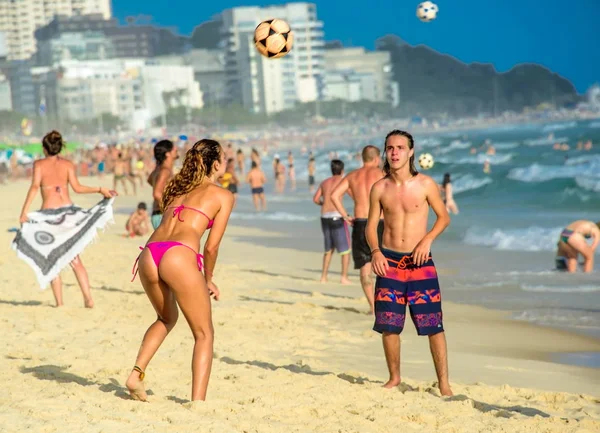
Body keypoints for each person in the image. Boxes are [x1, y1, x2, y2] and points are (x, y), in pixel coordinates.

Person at [127, 139, 234, 402]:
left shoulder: (176, 189)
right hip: (178, 255)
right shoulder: (223, 195)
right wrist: (208, 279)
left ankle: (136, 373)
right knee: (204, 334)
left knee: (165, 318)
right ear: (216, 164)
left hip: (150, 252)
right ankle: (198, 402)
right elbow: (211, 248)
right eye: (224, 157)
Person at [366, 130, 452, 395]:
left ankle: (444, 384)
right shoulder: (379, 187)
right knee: (388, 325)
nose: (394, 152)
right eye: (390, 148)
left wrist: (427, 240)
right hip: (389, 262)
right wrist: (376, 252)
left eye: (400, 148)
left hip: (420, 263)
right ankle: (394, 378)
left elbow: (444, 217)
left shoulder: (426, 184)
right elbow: (370, 227)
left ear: (411, 152)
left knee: (433, 325)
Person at [18, 130, 115, 308]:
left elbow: (34, 188)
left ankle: (60, 303)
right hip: (69, 213)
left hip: (49, 216)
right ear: (60, 146)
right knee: (75, 259)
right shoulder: (68, 165)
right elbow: (77, 188)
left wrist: (24, 212)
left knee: (53, 258)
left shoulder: (39, 164)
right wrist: (100, 189)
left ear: (44, 148)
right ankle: (88, 298)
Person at [331, 145, 385, 314]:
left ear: (363, 158)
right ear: (376, 159)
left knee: (365, 265)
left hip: (361, 222)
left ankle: (372, 306)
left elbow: (334, 195)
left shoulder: (353, 175)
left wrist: (346, 216)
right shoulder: (382, 174)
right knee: (384, 264)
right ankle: (386, 303)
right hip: (379, 222)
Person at [313, 160, 352, 284]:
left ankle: (323, 277)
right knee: (345, 250)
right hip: (337, 217)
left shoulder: (324, 182)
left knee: (329, 248)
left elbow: (315, 199)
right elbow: (353, 195)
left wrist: (324, 204)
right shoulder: (343, 181)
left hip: (324, 217)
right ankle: (344, 277)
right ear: (342, 170)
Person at [148, 140, 178, 230]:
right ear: (167, 154)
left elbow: (150, 180)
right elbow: (156, 193)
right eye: (174, 148)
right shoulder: (165, 171)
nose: (176, 149)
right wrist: (169, 208)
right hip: (162, 215)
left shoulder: (159, 169)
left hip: (158, 214)